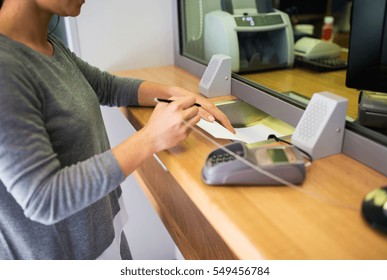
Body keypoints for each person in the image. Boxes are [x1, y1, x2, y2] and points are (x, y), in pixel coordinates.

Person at [0, 0, 235, 259]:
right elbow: (44, 199)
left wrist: (176, 94)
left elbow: (104, 86)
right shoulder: (5, 68)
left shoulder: (44, 42)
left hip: (99, 236)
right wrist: (150, 138)